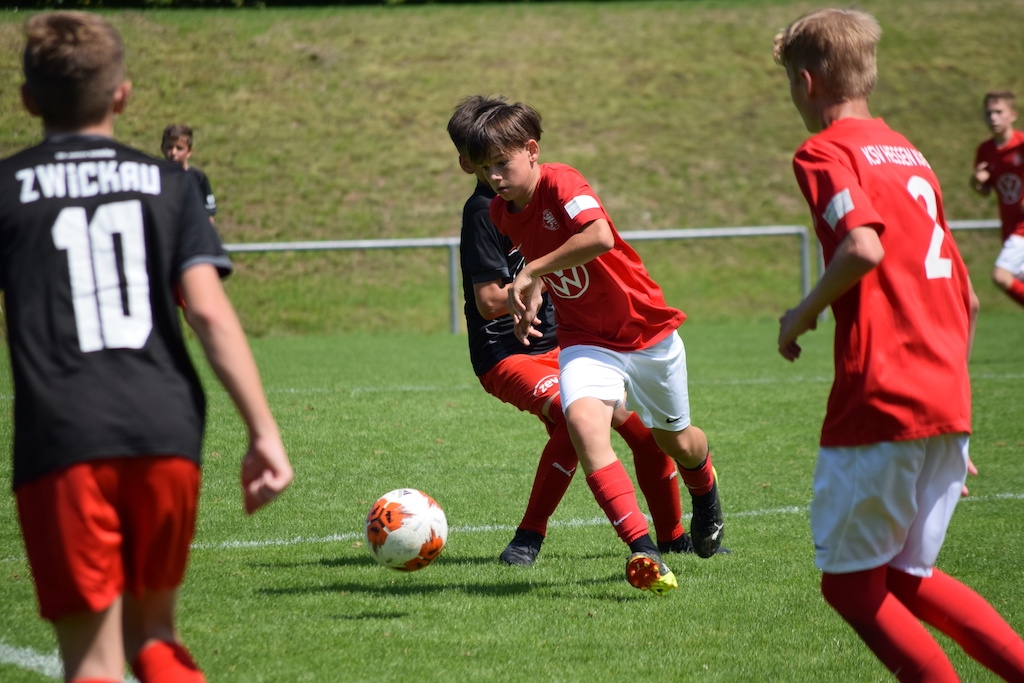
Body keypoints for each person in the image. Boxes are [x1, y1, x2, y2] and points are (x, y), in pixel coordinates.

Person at [1, 12, 294, 683]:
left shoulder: (8, 188)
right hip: (166, 430)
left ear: (27, 101)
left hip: (62, 435)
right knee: (156, 638)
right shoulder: (169, 185)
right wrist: (263, 432)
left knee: (93, 662)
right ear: (122, 95)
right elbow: (210, 313)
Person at [773, 8, 1024, 680]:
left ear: (806, 82)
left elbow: (862, 246)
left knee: (851, 588)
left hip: (884, 394)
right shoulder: (909, 153)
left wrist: (799, 316)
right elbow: (969, 298)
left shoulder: (825, 152)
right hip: (943, 397)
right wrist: (945, 412)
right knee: (907, 579)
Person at [464, 100, 724, 596]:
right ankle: (643, 550)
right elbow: (544, 262)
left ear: (532, 150)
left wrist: (533, 272)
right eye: (484, 168)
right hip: (586, 340)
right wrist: (531, 295)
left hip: (646, 331)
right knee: (582, 423)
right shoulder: (499, 212)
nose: (494, 177)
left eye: (502, 163)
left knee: (675, 441)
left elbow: (599, 236)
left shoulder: (562, 181)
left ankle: (705, 486)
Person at [971, 91, 1024, 308]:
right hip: (1009, 227)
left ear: (1013, 115)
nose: (993, 118)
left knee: (1001, 275)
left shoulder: (1022, 144)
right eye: (989, 113)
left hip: (1022, 228)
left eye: (999, 112)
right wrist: (976, 181)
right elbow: (983, 190)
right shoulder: (985, 150)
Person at [162, 123, 218, 226]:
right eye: (169, 147)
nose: (173, 152)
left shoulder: (198, 177)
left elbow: (209, 216)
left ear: (189, 152)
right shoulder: (157, 177)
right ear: (162, 148)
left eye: (179, 148)